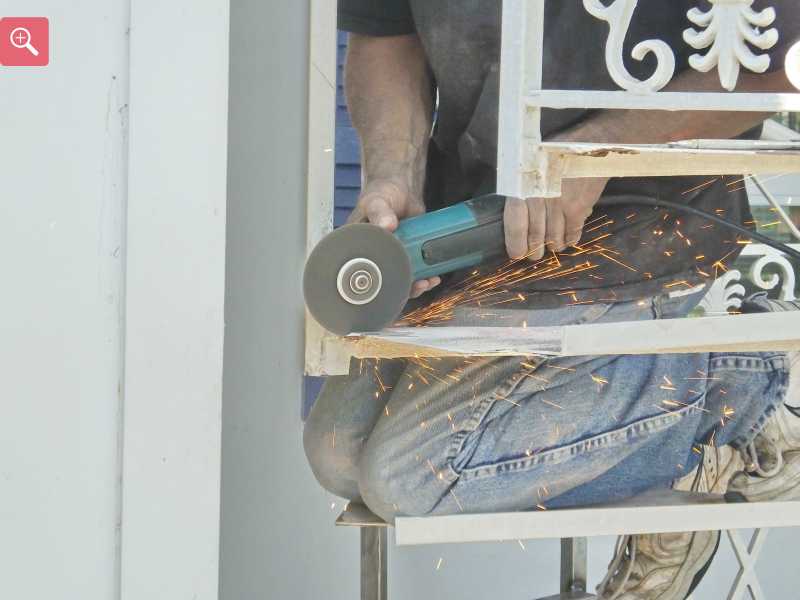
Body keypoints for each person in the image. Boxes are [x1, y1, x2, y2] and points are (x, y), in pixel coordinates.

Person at [304, 2, 800, 598]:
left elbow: (781, 68)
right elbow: (387, 35)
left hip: (638, 222)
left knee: (411, 481)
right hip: (486, 215)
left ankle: (739, 392)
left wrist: (592, 152)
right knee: (335, 453)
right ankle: (680, 428)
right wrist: (394, 175)